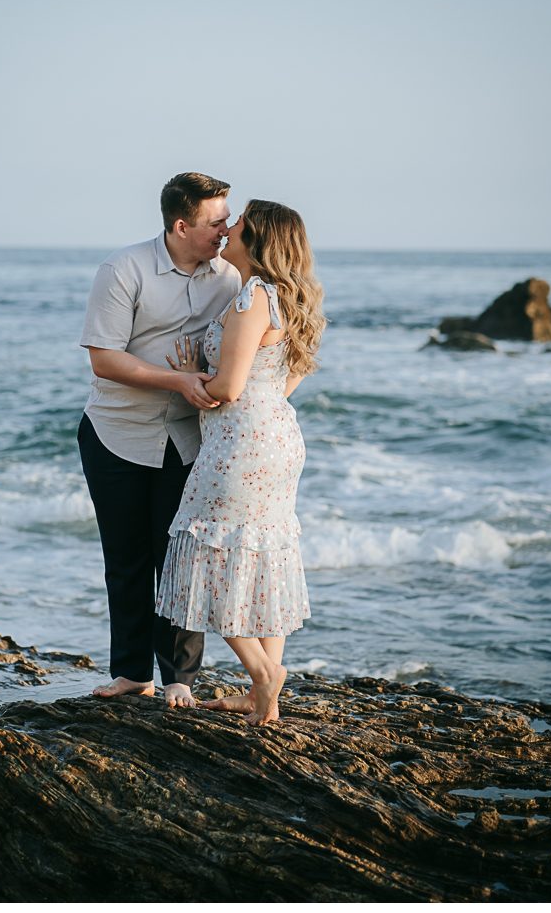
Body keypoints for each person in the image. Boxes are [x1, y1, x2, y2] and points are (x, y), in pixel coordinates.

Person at [156, 199, 326, 725]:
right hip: (278, 439)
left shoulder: (253, 297)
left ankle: (261, 673)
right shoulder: (291, 300)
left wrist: (192, 378)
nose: (229, 229)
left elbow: (229, 388)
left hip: (239, 446)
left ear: (260, 241)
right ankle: (263, 698)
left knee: (208, 550)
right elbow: (286, 380)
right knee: (261, 553)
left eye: (240, 223)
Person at [78, 172, 241, 707]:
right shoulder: (123, 269)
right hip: (116, 434)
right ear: (181, 224)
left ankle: (180, 679)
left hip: (190, 440)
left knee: (180, 559)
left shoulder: (231, 277)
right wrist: (178, 379)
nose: (226, 229)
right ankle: (130, 672)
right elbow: (104, 359)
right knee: (125, 559)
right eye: (216, 222)